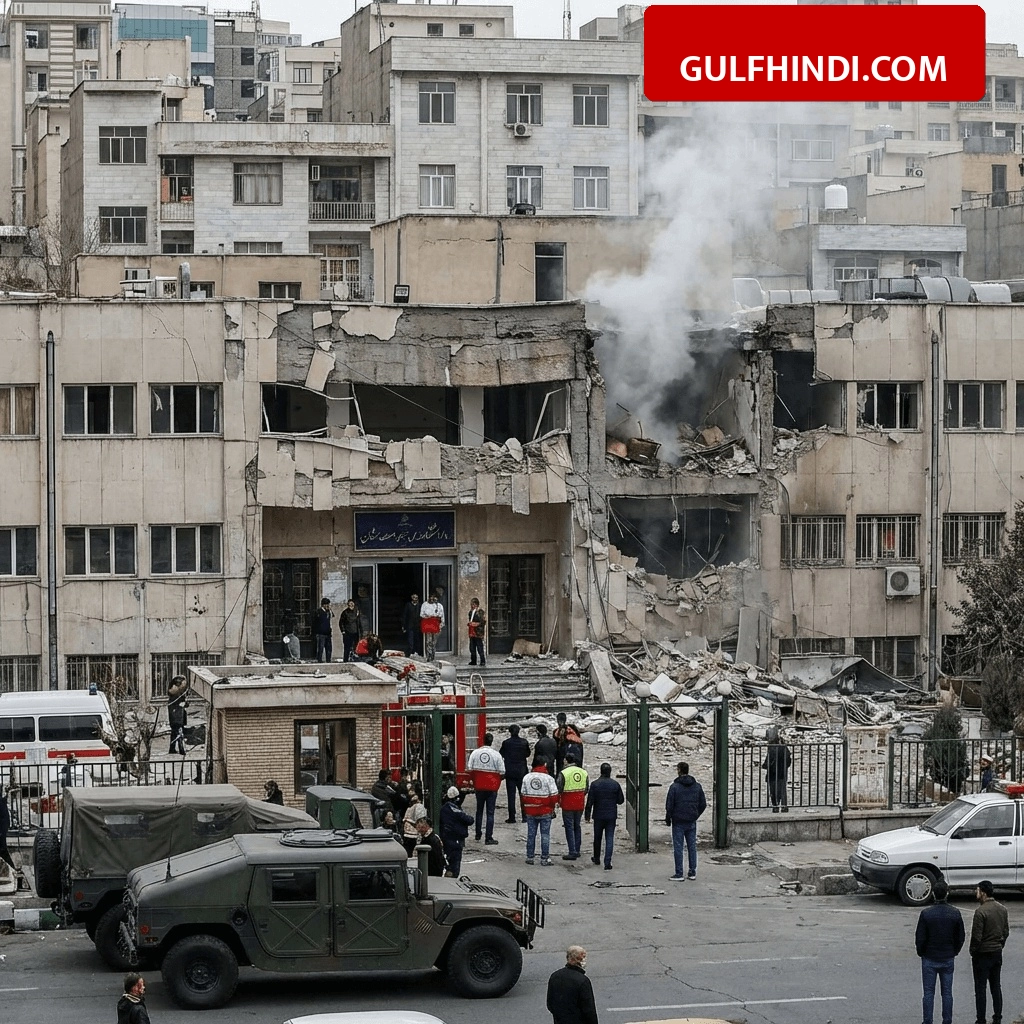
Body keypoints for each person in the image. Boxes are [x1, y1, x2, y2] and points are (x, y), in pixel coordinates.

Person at [916, 878, 965, 1024]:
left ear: (933, 894)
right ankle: (947, 1020)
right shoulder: (955, 913)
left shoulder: (926, 913)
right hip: (947, 956)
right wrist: (954, 951)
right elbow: (960, 937)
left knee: (928, 993)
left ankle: (927, 1020)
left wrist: (921, 952)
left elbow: (920, 938)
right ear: (947, 893)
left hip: (930, 957)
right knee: (947, 993)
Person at [971, 879, 1009, 1024]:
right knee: (996, 986)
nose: (976, 893)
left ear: (983, 893)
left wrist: (973, 951)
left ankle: (981, 1019)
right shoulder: (1002, 909)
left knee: (981, 989)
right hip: (997, 952)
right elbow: (1006, 931)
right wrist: (1000, 944)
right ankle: (997, 1017)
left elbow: (976, 937)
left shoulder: (980, 912)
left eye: (977, 890)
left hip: (982, 954)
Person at [665, 761, 707, 881]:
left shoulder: (674, 787)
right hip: (691, 820)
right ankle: (692, 872)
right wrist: (695, 814)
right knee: (692, 846)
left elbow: (669, 805)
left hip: (678, 820)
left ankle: (679, 873)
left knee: (678, 847)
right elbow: (703, 804)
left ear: (679, 770)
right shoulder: (697, 786)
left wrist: (668, 818)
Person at [585, 762, 624, 870]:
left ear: (600, 771)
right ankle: (607, 862)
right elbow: (621, 800)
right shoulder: (615, 784)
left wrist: (587, 815)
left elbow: (590, 801)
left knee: (597, 837)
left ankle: (596, 858)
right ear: (610, 772)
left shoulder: (595, 784)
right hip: (611, 815)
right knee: (609, 838)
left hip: (598, 815)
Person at [467, 733, 505, 845]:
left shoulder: (475, 753)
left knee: (479, 811)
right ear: (492, 741)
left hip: (479, 786)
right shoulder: (496, 755)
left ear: (482, 740)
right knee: (490, 812)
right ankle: (488, 837)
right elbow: (502, 772)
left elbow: (470, 769)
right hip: (492, 787)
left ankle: (478, 834)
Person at [546, 945, 599, 1024]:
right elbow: (589, 1010)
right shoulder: (583, 981)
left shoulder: (555, 976)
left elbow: (550, 1003)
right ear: (576, 959)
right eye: (583, 957)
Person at [522, 757, 559, 866]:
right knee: (545, 835)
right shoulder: (549, 778)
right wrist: (551, 807)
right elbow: (554, 796)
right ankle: (544, 858)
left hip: (531, 811)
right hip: (545, 811)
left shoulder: (527, 777)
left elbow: (523, 794)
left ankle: (530, 857)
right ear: (544, 764)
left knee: (531, 834)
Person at [557, 754, 589, 862]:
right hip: (579, 802)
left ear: (566, 761)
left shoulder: (564, 773)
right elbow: (586, 788)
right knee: (577, 825)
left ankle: (572, 851)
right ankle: (577, 849)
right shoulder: (583, 772)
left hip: (567, 803)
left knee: (569, 827)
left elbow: (559, 788)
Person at [500, 724, 532, 823]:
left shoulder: (506, 743)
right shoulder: (524, 742)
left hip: (510, 771)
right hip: (521, 771)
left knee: (511, 795)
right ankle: (524, 816)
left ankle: (512, 817)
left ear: (510, 732)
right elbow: (528, 754)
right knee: (523, 794)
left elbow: (502, 754)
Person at [439, 786, 474, 877]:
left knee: (449, 863)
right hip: (455, 840)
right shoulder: (454, 809)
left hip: (447, 838)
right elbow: (469, 820)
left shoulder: (444, 808)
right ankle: (451, 880)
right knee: (454, 865)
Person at [763, 726, 792, 813]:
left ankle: (775, 806)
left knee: (773, 790)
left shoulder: (772, 747)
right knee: (782, 789)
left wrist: (765, 765)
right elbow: (788, 759)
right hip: (782, 771)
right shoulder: (783, 746)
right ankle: (783, 806)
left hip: (773, 772)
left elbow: (769, 760)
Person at [419, 591, 445, 662]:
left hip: (436, 625)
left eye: (434, 597)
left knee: (434, 642)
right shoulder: (425, 604)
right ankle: (428, 656)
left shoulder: (439, 606)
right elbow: (421, 614)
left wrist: (441, 625)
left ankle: (433, 656)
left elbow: (442, 616)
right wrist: (428, 616)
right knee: (428, 641)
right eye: (431, 597)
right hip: (428, 624)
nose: (432, 599)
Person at [402, 783, 427, 856]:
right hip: (410, 835)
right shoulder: (413, 806)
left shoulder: (418, 806)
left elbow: (421, 821)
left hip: (413, 835)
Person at [166, 676, 188, 756]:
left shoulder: (176, 696)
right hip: (177, 717)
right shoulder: (175, 696)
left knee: (174, 733)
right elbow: (181, 705)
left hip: (176, 717)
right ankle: (181, 749)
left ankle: (172, 749)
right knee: (179, 733)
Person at [312, 597, 334, 663]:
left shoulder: (329, 612)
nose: (328, 606)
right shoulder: (318, 612)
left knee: (329, 648)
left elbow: (331, 619)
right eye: (327, 605)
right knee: (320, 648)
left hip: (328, 633)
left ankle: (328, 660)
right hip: (320, 633)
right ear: (323, 605)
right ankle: (319, 660)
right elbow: (314, 622)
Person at [467, 598, 487, 667]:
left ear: (476, 604)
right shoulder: (470, 612)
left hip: (478, 632)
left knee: (479, 647)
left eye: (473, 604)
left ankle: (482, 660)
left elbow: (482, 622)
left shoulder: (480, 612)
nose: (472, 606)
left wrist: (475, 624)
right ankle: (473, 660)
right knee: (472, 647)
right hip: (472, 631)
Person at [401, 592, 421, 657]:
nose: (415, 599)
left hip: (417, 625)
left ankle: (416, 652)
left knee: (417, 640)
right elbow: (405, 615)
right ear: (411, 597)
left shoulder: (419, 605)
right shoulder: (408, 605)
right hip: (410, 625)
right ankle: (410, 653)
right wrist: (403, 625)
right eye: (414, 597)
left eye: (416, 597)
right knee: (410, 640)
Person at [0, 785, 14, 870]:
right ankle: (13, 868)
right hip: (3, 829)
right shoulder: (2, 801)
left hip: (2, 830)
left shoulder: (1, 802)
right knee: (3, 851)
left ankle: (13, 868)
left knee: (3, 850)